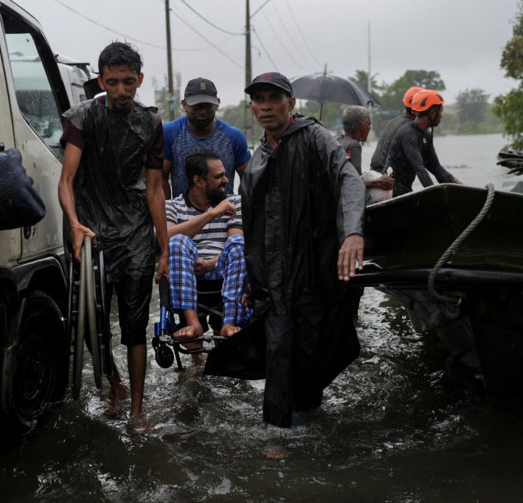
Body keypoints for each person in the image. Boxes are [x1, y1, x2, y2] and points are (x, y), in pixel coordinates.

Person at [205, 72, 365, 430]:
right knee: (278, 355)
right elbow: (252, 230)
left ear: (290, 104)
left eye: (273, 99)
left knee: (311, 356)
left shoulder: (314, 138)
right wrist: (249, 281)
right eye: (259, 100)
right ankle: (275, 436)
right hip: (275, 283)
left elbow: (349, 179)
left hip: (314, 273)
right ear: (252, 107)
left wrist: (353, 232)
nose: (265, 107)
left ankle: (305, 421)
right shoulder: (257, 161)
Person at [58, 41, 169, 420]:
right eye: (112, 82)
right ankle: (115, 383)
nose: (121, 90)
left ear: (139, 78)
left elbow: (155, 190)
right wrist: (73, 224)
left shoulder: (150, 123)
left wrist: (164, 247)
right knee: (93, 321)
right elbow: (66, 181)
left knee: (135, 325)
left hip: (136, 230)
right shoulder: (82, 118)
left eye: (128, 82)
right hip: (91, 230)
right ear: (101, 80)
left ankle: (137, 411)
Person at [166, 150, 248, 341]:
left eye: (225, 175)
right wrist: (211, 214)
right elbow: (165, 237)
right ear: (198, 181)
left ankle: (230, 321)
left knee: (238, 243)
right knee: (176, 241)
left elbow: (236, 242)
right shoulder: (172, 206)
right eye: (218, 176)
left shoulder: (234, 203)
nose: (226, 180)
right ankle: (192, 323)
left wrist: (210, 264)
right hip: (187, 272)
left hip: (224, 269)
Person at [162, 77, 252, 198]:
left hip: (225, 213)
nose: (202, 111)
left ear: (217, 103)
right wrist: (167, 213)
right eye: (196, 106)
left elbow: (248, 180)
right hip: (183, 215)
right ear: (184, 104)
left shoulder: (234, 137)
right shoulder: (169, 133)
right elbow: (160, 180)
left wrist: (242, 211)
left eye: (207, 106)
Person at [384, 89, 462, 197]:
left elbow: (436, 168)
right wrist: (436, 195)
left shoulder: (426, 134)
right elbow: (420, 169)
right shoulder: (408, 134)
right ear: (432, 113)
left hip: (405, 189)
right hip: (392, 190)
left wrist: (460, 187)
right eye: (440, 112)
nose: (441, 116)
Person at [338, 105, 394, 203]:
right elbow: (353, 183)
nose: (369, 128)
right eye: (369, 124)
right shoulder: (354, 146)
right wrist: (379, 182)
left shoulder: (338, 140)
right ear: (362, 127)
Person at [369, 86, 423, 174]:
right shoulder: (410, 128)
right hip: (385, 178)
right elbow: (420, 165)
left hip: (374, 172)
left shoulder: (394, 121)